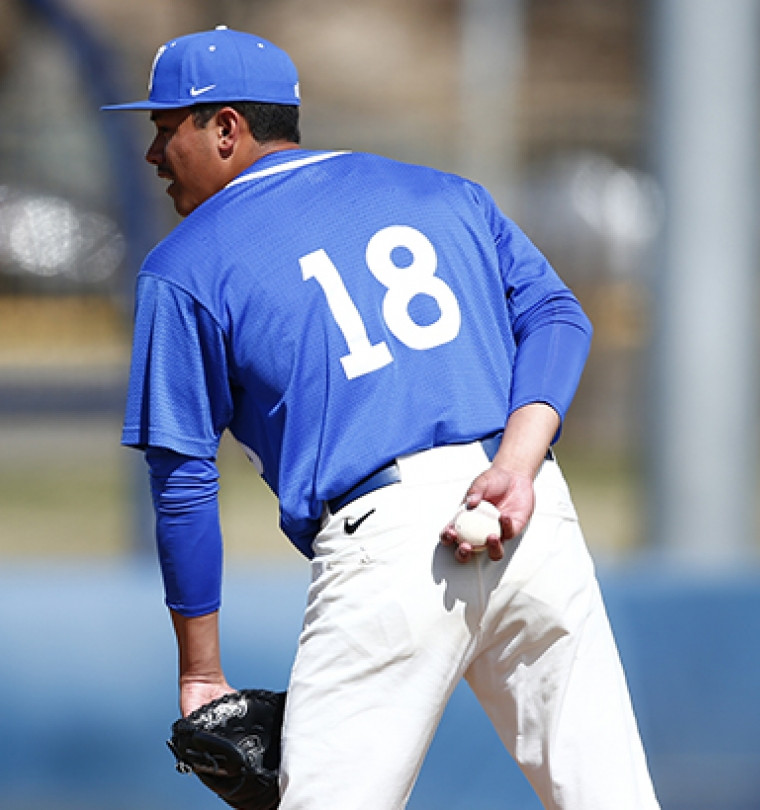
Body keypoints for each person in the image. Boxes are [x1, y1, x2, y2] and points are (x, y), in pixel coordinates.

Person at [104, 26, 661, 810]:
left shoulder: (184, 265)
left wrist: (200, 672)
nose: (154, 155)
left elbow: (184, 481)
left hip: (391, 544)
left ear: (226, 128)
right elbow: (558, 316)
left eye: (167, 131)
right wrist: (516, 466)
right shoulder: (444, 192)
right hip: (528, 517)